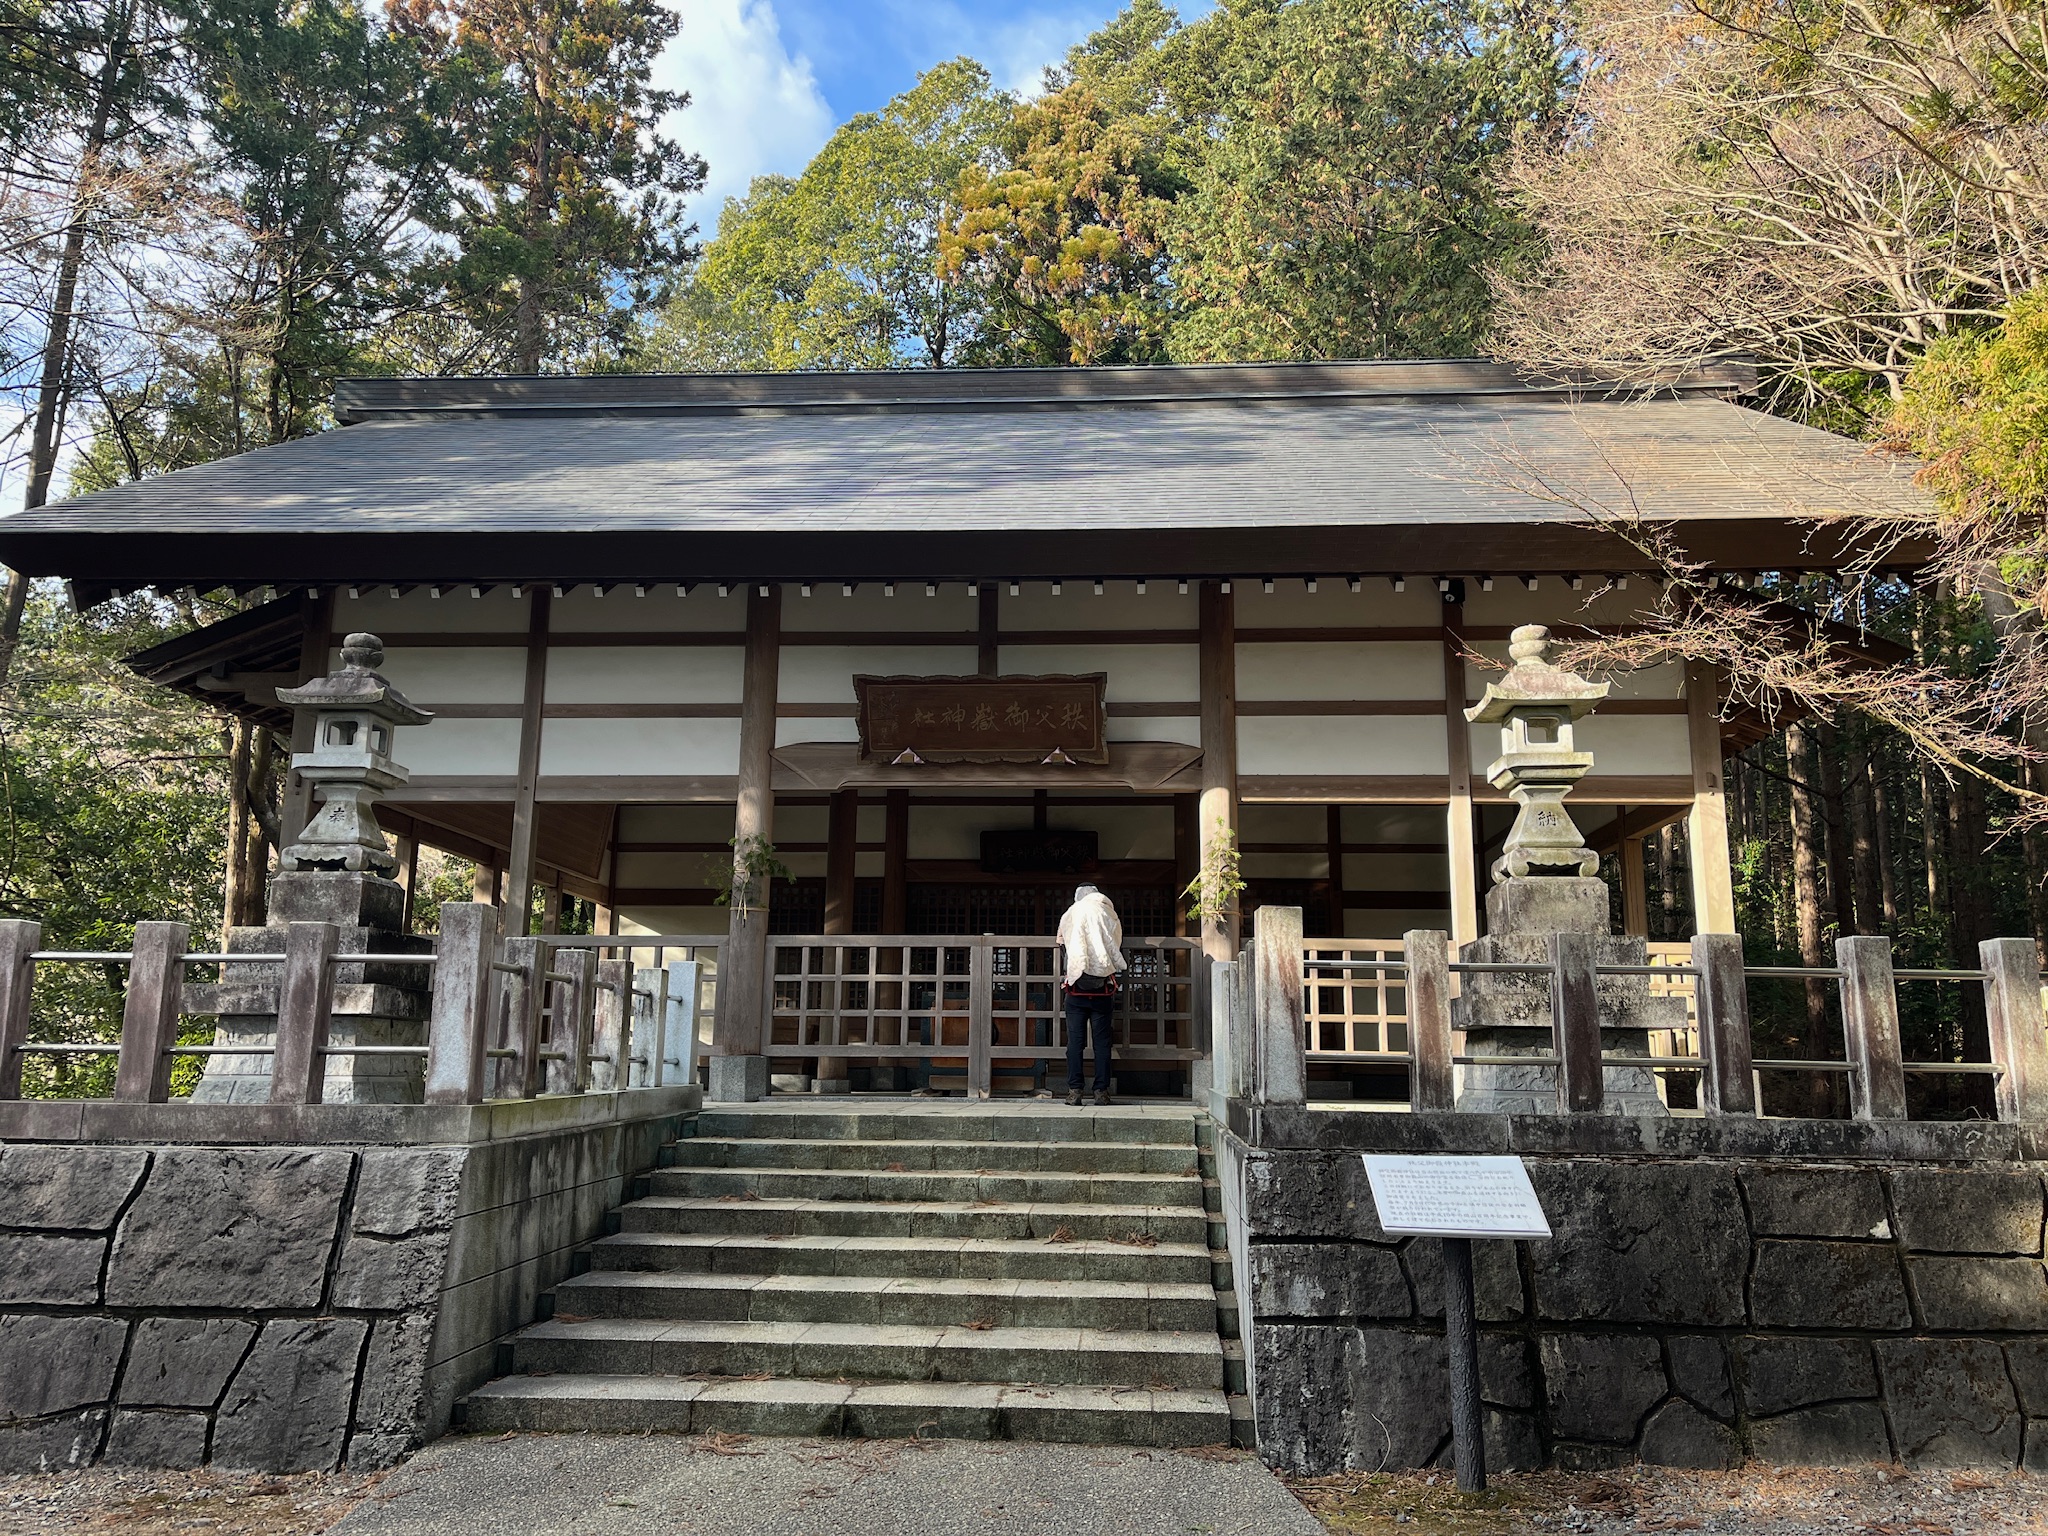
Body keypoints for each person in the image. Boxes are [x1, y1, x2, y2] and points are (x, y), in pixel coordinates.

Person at [1056, 883, 1127, 1106]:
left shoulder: (1071, 913)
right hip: (1102, 990)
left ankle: (1075, 1091)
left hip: (1076, 989)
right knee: (1102, 1044)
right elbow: (1116, 942)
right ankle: (1101, 1092)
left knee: (1074, 1044)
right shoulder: (1108, 913)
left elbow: (1062, 942)